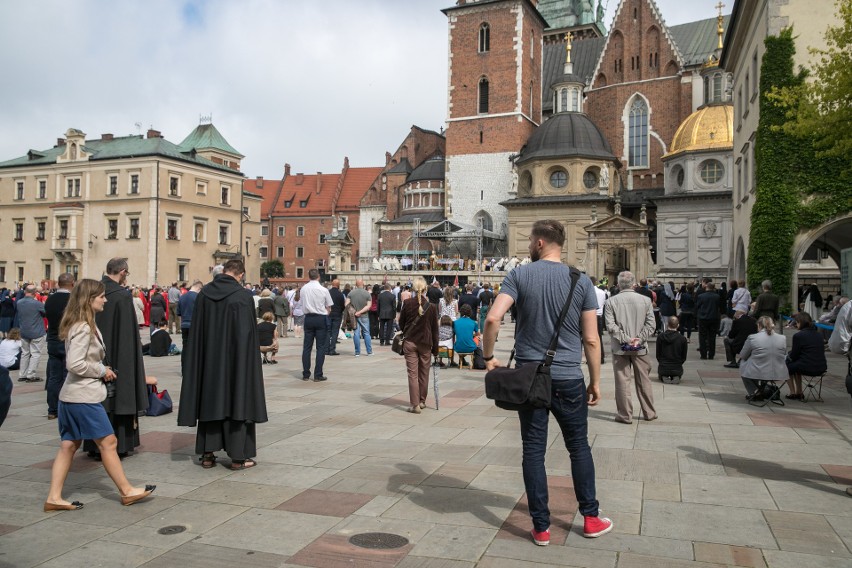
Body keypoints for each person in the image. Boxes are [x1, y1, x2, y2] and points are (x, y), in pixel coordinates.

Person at [482, 219, 612, 545]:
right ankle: (592, 518)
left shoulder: (519, 275)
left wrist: (488, 357)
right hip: (569, 377)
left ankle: (541, 527)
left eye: (529, 240)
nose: (528, 244)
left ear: (539, 243)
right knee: (578, 447)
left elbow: (493, 318)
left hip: (531, 379)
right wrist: (594, 381)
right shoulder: (580, 280)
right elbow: (592, 340)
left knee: (533, 451)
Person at [45, 278, 155, 511]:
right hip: (83, 397)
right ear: (89, 299)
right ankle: (126, 491)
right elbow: (74, 364)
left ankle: (54, 497)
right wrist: (101, 370)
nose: (105, 299)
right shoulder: (84, 327)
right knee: (109, 442)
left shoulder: (81, 323)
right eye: (101, 296)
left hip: (71, 397)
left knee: (69, 445)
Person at [178, 259, 268, 470]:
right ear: (240, 274)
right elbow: (246, 335)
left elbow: (197, 332)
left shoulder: (204, 295)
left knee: (210, 400)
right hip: (236, 361)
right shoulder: (242, 296)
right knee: (237, 401)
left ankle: (208, 455)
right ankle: (238, 457)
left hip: (209, 360)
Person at [83, 258, 148, 459]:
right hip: (121, 356)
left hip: (95, 356)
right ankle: (119, 443)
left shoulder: (94, 293)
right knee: (120, 398)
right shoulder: (121, 296)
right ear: (122, 272)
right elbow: (128, 335)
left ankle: (94, 445)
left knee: (99, 400)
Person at [605, 271, 657, 423]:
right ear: (634, 283)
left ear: (619, 284)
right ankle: (649, 412)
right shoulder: (646, 300)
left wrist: (626, 339)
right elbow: (651, 324)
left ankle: (625, 415)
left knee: (622, 382)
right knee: (644, 380)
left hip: (620, 348)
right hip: (640, 348)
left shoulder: (611, 302)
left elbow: (610, 326)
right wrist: (638, 340)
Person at [398, 276, 438, 414]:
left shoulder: (407, 303)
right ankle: (422, 401)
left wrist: (407, 331)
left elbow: (401, 323)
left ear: (413, 289)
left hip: (410, 342)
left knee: (412, 374)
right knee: (424, 373)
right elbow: (435, 330)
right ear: (426, 289)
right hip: (426, 343)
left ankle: (414, 405)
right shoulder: (432, 307)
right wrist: (436, 350)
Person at [44, 273, 74, 419]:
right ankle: (65, 406)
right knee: (67, 375)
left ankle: (52, 409)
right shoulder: (72, 300)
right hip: (67, 339)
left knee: (54, 376)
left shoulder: (50, 299)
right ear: (72, 284)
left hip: (52, 340)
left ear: (58, 283)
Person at [739, 316, 787, 402]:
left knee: (744, 363)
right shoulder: (782, 338)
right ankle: (759, 390)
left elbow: (743, 355)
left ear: (759, 325)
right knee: (757, 362)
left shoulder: (753, 337)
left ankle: (756, 392)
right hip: (779, 372)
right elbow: (783, 354)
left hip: (758, 371)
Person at [300, 269, 333, 381]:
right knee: (321, 347)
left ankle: (305, 374)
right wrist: (326, 313)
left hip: (308, 318)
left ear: (309, 276)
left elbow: (302, 303)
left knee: (307, 347)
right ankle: (318, 374)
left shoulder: (303, 289)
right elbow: (329, 306)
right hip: (320, 318)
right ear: (318, 276)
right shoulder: (323, 290)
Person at [785, 312, 828, 400]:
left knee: (786, 366)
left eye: (796, 323)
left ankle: (793, 392)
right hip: (821, 367)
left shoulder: (798, 335)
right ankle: (799, 392)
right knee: (796, 365)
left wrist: (787, 357)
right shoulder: (819, 335)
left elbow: (794, 355)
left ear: (800, 322)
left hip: (807, 367)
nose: (796, 325)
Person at [16, 285, 46, 383]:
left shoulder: (19, 303)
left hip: (24, 331)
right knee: (35, 353)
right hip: (36, 331)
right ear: (35, 293)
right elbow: (45, 312)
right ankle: (31, 375)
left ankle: (22, 374)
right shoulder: (37, 304)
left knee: (25, 353)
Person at [655, 316, 688, 383]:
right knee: (676, 373)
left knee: (663, 373)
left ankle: (664, 376)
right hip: (677, 367)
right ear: (678, 325)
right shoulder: (682, 339)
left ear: (667, 325)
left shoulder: (660, 337)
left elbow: (658, 354)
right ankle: (676, 376)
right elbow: (683, 356)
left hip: (663, 367)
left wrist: (661, 362)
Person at [0, 329, 22, 428]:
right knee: (23, 353)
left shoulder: (4, 341)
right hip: (11, 364)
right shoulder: (17, 342)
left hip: (2, 363)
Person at [695, 282, 721, 360]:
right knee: (712, 337)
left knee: (702, 336)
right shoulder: (717, 297)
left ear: (706, 287)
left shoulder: (701, 296)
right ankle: (711, 354)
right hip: (713, 318)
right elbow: (719, 307)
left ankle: (703, 354)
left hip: (703, 318)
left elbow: (697, 306)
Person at [348, 279, 373, 357]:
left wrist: (355, 312)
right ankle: (369, 352)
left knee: (356, 333)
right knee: (366, 333)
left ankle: (357, 352)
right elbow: (368, 306)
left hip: (354, 316)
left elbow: (346, 304)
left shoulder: (351, 293)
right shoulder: (367, 294)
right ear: (363, 284)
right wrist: (360, 312)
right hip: (364, 315)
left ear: (356, 284)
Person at [590, 277, 607, 365]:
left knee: (589, 339)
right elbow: (604, 303)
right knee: (598, 338)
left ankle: (591, 358)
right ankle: (601, 357)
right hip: (599, 316)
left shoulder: (588, 291)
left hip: (590, 316)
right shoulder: (602, 292)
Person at [326, 280, 345, 354]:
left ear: (332, 284)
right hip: (337, 314)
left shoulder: (328, 292)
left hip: (328, 314)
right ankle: (332, 349)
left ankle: (326, 349)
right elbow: (342, 306)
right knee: (335, 332)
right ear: (338, 285)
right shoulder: (340, 294)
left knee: (328, 331)